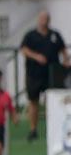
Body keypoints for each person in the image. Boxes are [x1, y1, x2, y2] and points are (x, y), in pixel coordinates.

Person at [20, 11, 70, 141]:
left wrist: (66, 60)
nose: (44, 20)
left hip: (52, 74)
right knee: (33, 101)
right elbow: (24, 50)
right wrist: (36, 56)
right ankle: (33, 129)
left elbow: (63, 49)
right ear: (38, 19)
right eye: (42, 18)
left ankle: (52, 128)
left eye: (46, 18)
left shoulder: (55, 35)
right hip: (34, 74)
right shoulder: (30, 35)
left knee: (51, 102)